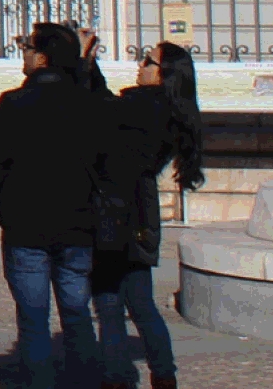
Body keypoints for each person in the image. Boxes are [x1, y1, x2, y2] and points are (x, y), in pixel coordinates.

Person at [0, 22, 101, 389]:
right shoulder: (88, 102)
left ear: (41, 58)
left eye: (26, 46)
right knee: (77, 314)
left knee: (33, 317)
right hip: (77, 226)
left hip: (27, 227)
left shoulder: (14, 103)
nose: (22, 52)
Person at [90, 42, 203, 389]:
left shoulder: (142, 106)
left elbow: (100, 111)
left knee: (109, 303)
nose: (140, 65)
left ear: (162, 72)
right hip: (140, 215)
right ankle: (164, 375)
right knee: (140, 303)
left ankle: (117, 378)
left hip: (114, 213)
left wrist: (84, 63)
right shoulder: (167, 110)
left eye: (147, 61)